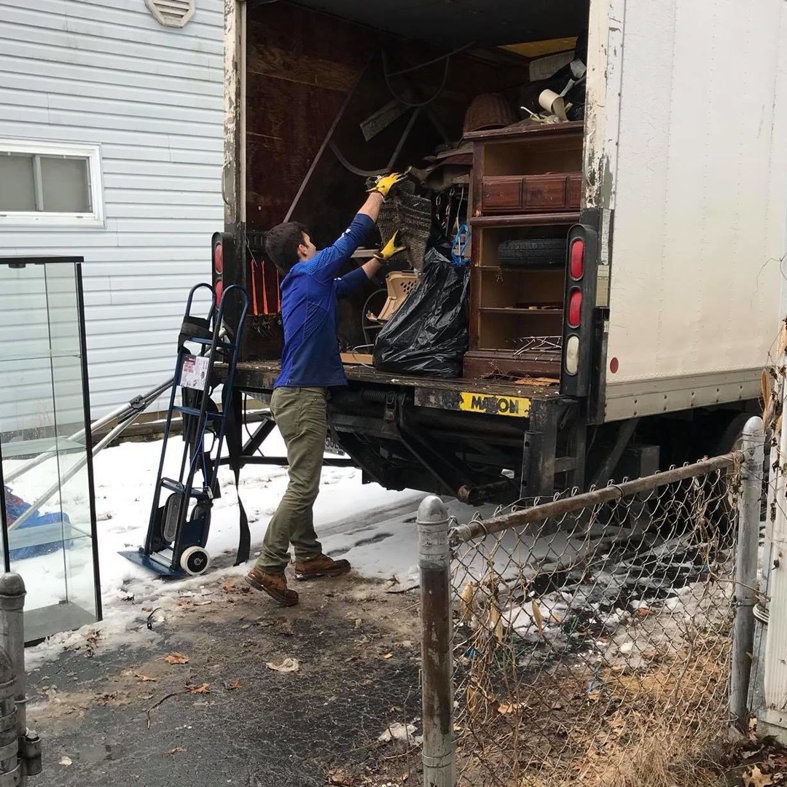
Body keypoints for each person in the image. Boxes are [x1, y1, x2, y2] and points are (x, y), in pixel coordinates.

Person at [245, 173, 406, 606]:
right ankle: (270, 564)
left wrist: (383, 259)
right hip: (301, 397)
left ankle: (309, 557)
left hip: (294, 394)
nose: (316, 248)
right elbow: (348, 241)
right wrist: (378, 193)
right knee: (304, 487)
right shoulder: (307, 271)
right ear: (302, 248)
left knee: (301, 481)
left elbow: (346, 283)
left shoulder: (307, 284)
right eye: (312, 242)